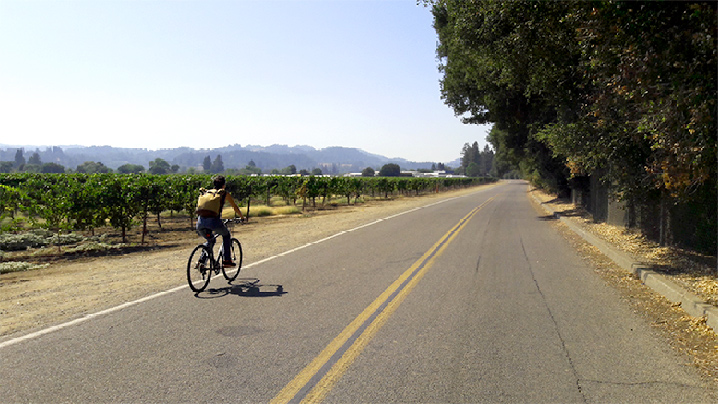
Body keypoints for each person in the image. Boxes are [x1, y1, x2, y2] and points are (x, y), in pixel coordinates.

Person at [196, 175, 245, 267]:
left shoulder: (207, 192)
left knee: (210, 240)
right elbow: (234, 207)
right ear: (223, 185)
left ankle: (201, 261)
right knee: (226, 235)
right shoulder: (224, 193)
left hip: (200, 223)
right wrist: (242, 217)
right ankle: (227, 260)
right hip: (214, 222)